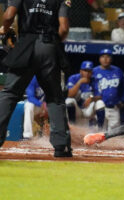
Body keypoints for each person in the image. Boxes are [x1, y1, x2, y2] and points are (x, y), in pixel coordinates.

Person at [0, 0, 72, 157]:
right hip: (49, 45)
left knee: (10, 93)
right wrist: (53, 43)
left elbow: (9, 16)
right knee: (54, 97)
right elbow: (64, 28)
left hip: (26, 44)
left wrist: (3, 30)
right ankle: (61, 147)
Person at [92, 49, 124, 131]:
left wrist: (123, 100)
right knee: (99, 131)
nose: (105, 59)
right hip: (100, 107)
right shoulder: (94, 71)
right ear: (99, 59)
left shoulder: (117, 70)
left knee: (114, 133)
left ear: (111, 59)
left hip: (114, 108)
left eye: (108, 57)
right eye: (103, 57)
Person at [65, 61, 105, 126]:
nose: (87, 73)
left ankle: (100, 129)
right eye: (85, 70)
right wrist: (79, 82)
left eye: (89, 71)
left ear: (92, 72)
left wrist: (91, 99)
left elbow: (100, 96)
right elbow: (69, 95)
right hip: (77, 110)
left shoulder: (95, 80)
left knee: (100, 103)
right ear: (80, 71)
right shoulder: (73, 78)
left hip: (88, 110)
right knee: (69, 101)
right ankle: (72, 127)